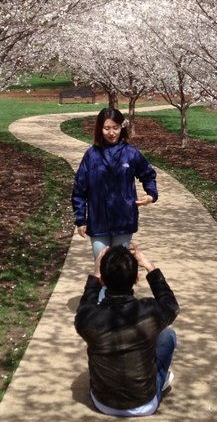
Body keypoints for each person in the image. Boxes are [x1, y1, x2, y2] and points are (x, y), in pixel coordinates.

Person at [75, 244, 179, 416]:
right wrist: (149, 266)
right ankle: (161, 378)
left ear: (102, 281)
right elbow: (171, 306)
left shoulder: (88, 319)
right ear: (137, 278)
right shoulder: (150, 311)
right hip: (146, 403)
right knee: (168, 335)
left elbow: (85, 307)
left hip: (102, 402)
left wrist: (95, 274)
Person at [72, 108, 158, 261]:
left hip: (124, 219)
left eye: (115, 128)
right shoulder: (91, 155)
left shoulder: (131, 153)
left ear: (121, 128)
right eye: (107, 128)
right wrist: (81, 219)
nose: (111, 133)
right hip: (98, 221)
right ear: (100, 129)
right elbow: (79, 189)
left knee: (119, 268)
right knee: (101, 268)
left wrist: (151, 195)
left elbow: (148, 174)